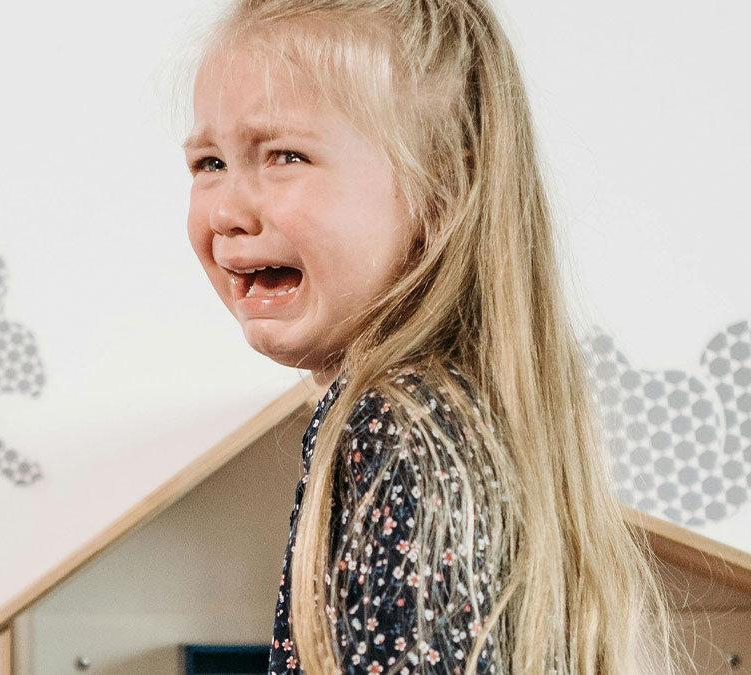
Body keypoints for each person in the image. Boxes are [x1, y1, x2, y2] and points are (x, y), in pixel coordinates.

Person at [180, 1, 682, 673]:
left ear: (440, 186)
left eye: (284, 156)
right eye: (209, 163)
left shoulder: (396, 428)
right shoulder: (454, 417)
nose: (227, 210)